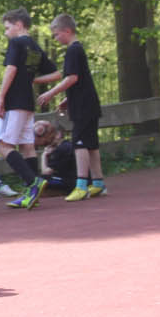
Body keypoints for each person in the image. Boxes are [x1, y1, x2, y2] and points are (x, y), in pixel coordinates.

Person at [38, 14, 107, 200]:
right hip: (86, 103)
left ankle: (81, 185)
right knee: (91, 145)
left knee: (80, 144)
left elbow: (72, 78)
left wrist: (51, 93)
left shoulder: (73, 51)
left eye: (56, 34)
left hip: (84, 107)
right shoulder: (77, 50)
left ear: (67, 31)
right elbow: (81, 80)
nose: (55, 38)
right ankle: (98, 183)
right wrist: (67, 99)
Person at [0, 9, 56, 194]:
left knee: (4, 146)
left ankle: (33, 182)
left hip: (13, 101)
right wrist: (32, 80)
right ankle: (32, 193)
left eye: (7, 28)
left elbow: (11, 69)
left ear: (19, 25)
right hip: (28, 102)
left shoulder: (16, 43)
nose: (6, 32)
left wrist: (1, 97)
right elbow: (57, 73)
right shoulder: (35, 47)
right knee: (27, 146)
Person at [9, 119, 78, 208]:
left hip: (69, 182)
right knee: (39, 180)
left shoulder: (62, 148)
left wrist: (43, 156)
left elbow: (46, 172)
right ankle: (35, 193)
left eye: (48, 135)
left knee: (40, 180)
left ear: (58, 135)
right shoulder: (61, 147)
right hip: (66, 179)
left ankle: (34, 194)